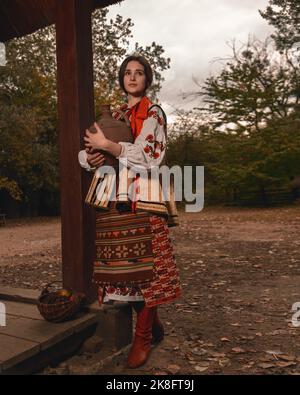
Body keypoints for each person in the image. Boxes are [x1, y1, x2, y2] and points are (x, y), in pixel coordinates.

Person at [78, 55, 181, 369]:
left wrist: (108, 146)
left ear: (147, 79)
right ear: (121, 79)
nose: (133, 77)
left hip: (146, 193)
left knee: (150, 269)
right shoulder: (116, 115)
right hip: (115, 195)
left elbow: (148, 157)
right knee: (126, 267)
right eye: (127, 73)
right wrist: (89, 157)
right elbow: (86, 151)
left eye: (139, 73)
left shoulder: (154, 114)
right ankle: (155, 324)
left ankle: (143, 336)